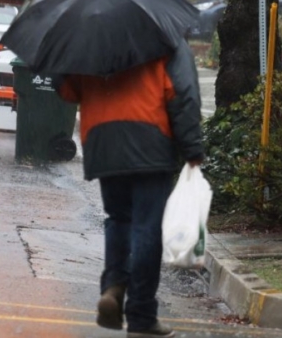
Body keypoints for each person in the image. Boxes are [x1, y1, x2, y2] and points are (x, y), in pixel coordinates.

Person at [56, 37, 204, 338]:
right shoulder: (166, 39)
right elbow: (182, 94)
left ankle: (113, 286)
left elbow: (69, 90)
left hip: (103, 140)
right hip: (150, 141)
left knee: (119, 218)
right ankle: (142, 316)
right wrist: (192, 148)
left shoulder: (91, 39)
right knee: (147, 227)